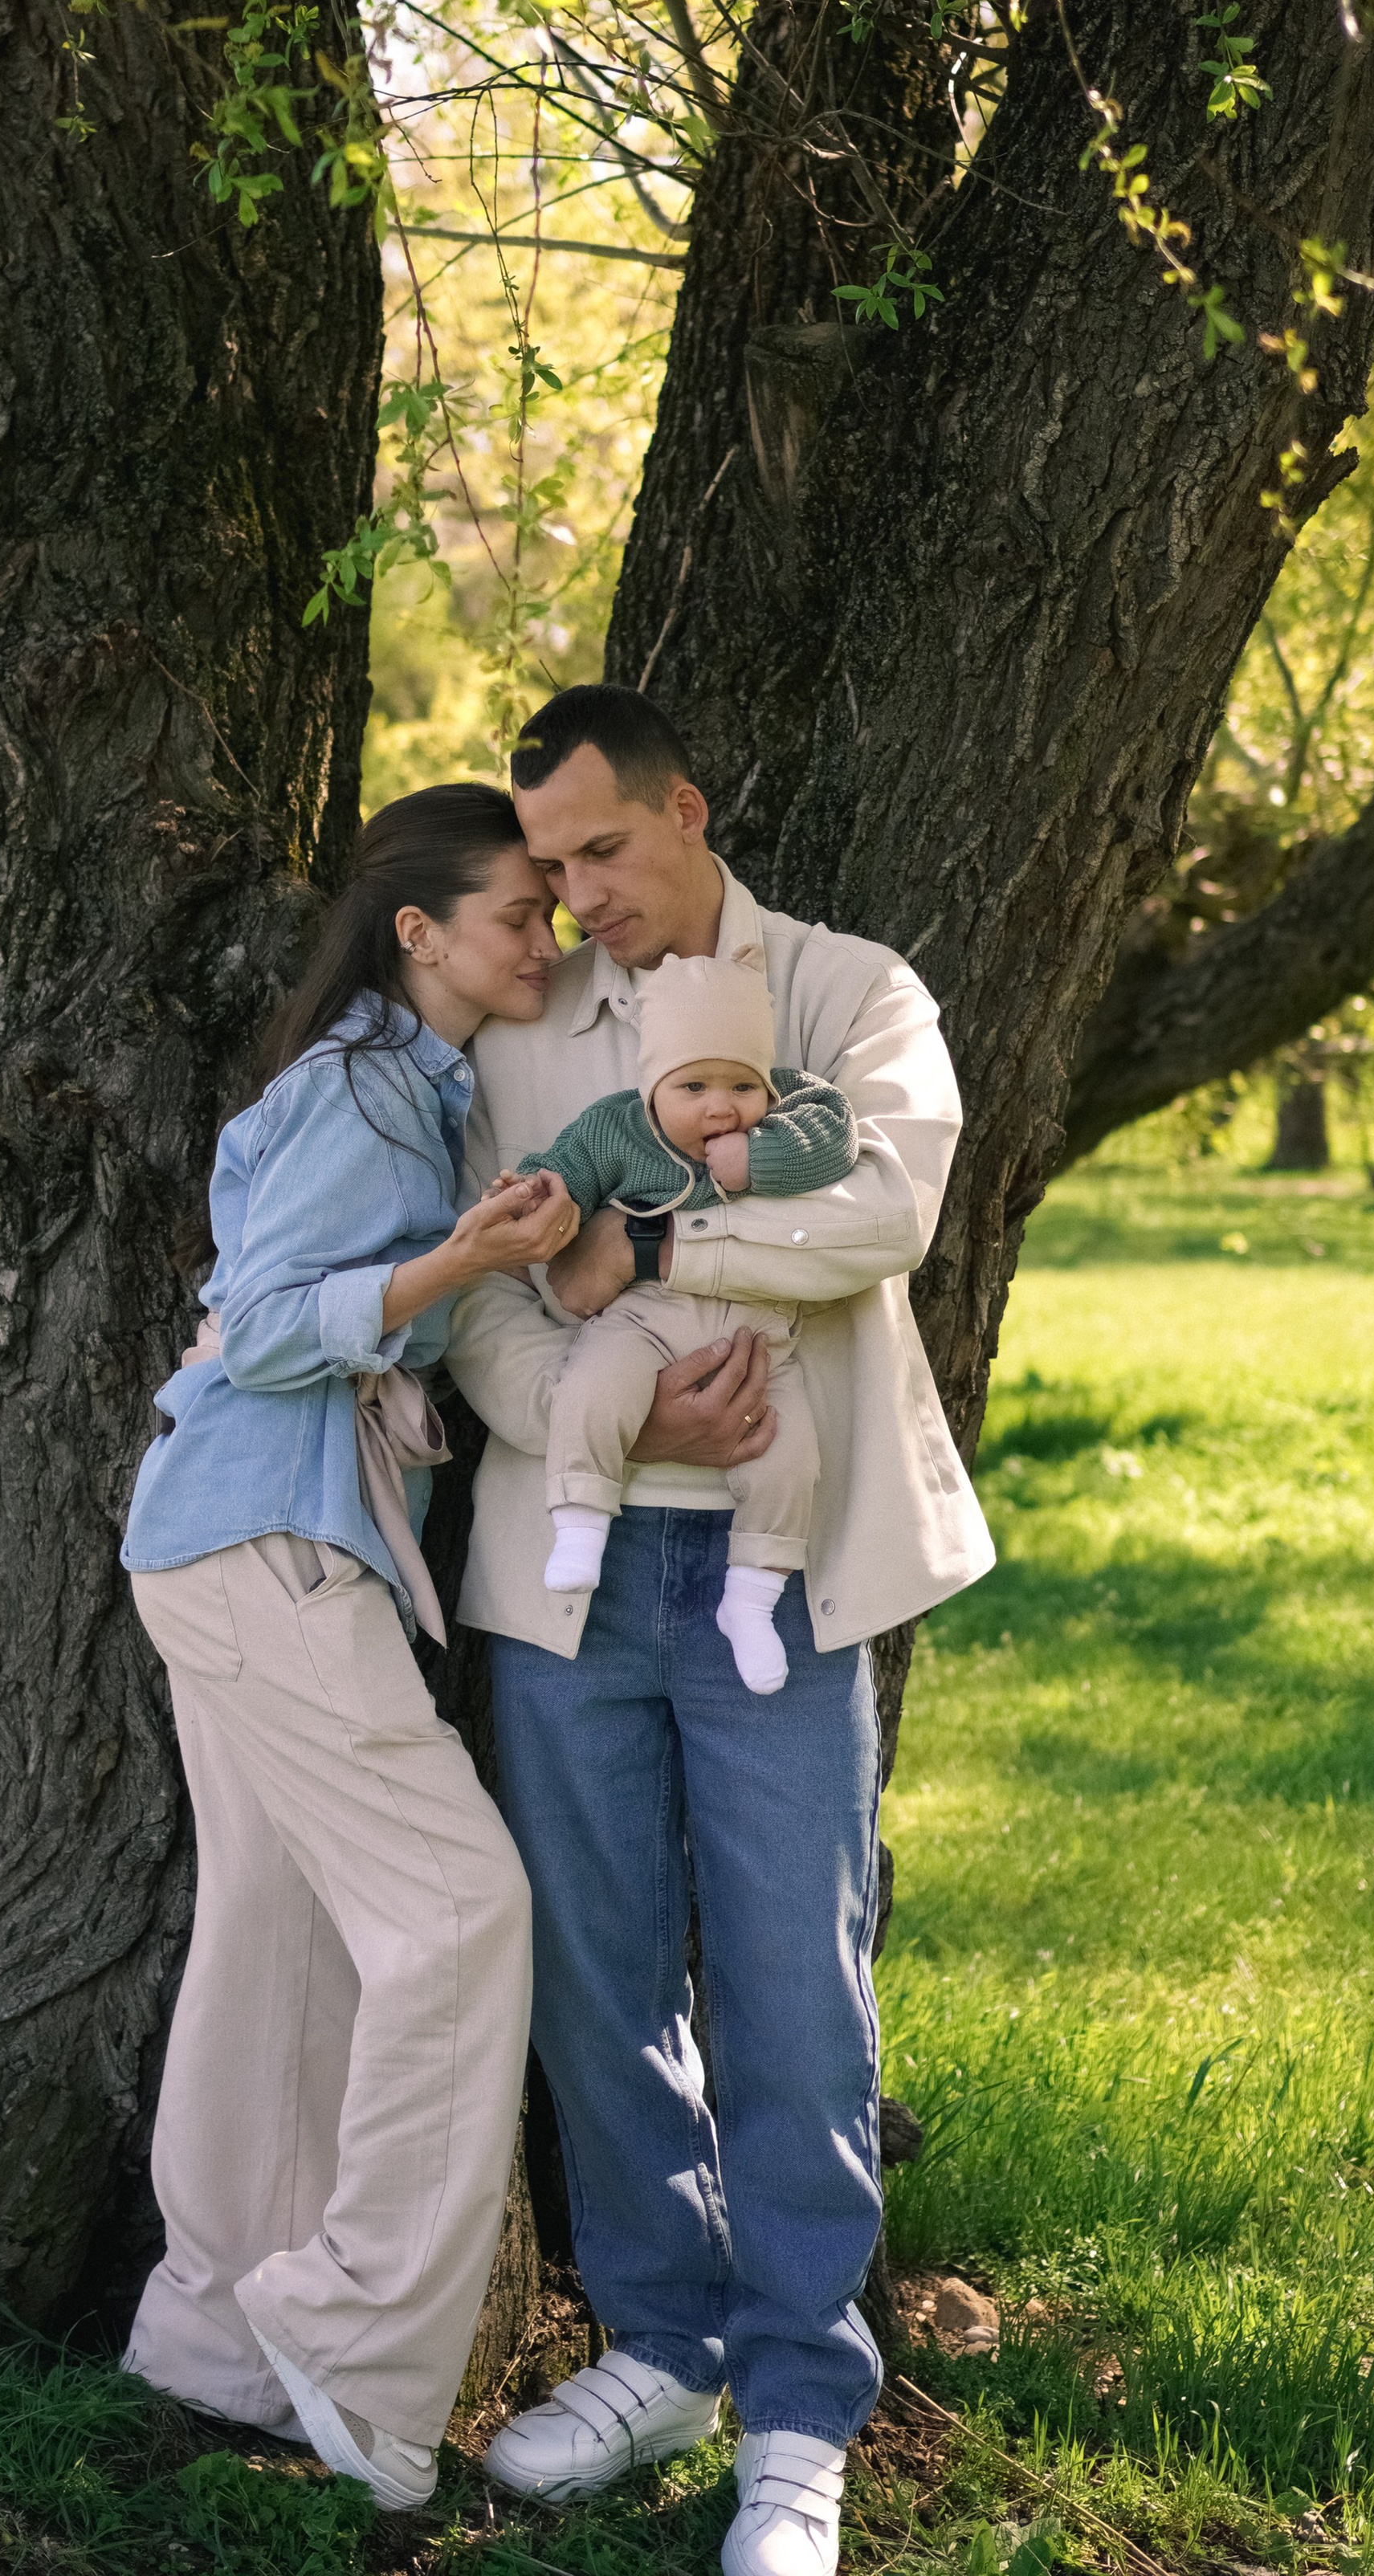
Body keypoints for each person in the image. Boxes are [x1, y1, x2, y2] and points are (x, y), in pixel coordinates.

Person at [446, 687, 996, 2576]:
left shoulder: (849, 994)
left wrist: (659, 1258)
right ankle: (662, 2344)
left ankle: (798, 2411)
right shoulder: (522, 1042)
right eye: (548, 866)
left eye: (603, 848)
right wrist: (606, 1400)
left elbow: (884, 1210)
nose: (578, 893)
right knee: (598, 1978)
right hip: (570, 1566)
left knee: (792, 1985)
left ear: (684, 809)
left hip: (790, 1565)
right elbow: (487, 1315)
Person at [120, 784, 579, 2513]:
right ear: (420, 932)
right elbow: (271, 1320)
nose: (540, 938)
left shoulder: (418, 1093)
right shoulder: (365, 1094)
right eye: (518, 913)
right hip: (259, 1538)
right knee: (462, 1914)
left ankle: (218, 2342)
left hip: (236, 1541)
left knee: (286, 1944)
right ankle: (353, 2337)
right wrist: (451, 1262)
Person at [499, 948, 858, 1692]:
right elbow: (565, 1171)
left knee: (790, 1457)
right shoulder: (618, 1129)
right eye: (692, 1086)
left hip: (761, 1341)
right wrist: (534, 1193)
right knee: (594, 1386)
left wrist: (756, 1160)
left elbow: (837, 1137)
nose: (720, 1107)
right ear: (652, 1085)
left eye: (740, 1086)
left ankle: (752, 1600)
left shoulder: (790, 1110)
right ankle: (580, 1521)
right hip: (645, 1318)